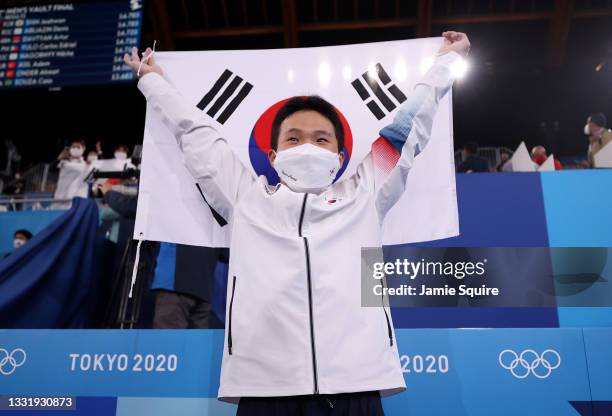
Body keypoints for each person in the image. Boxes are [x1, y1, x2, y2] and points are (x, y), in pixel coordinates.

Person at [125, 31, 470, 415]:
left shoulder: (366, 193)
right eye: (294, 138)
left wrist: (445, 64)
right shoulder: (245, 197)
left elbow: (407, 128)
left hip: (357, 386)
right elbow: (195, 132)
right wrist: (151, 80)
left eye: (321, 139)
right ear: (272, 155)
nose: (307, 146)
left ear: (340, 156)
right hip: (264, 390)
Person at [52, 140, 91, 208]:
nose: (75, 149)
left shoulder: (86, 164)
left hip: (78, 199)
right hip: (62, 198)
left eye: (78, 147)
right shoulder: (64, 162)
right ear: (70, 149)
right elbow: (52, 169)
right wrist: (58, 158)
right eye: (73, 147)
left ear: (82, 150)